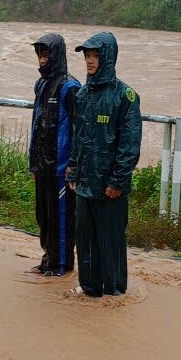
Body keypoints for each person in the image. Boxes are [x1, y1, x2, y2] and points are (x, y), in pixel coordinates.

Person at [67, 32, 142, 297]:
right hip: (84, 184)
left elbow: (129, 145)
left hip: (110, 188)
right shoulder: (83, 94)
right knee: (84, 240)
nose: (89, 61)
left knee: (110, 242)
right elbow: (79, 138)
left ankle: (114, 293)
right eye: (87, 56)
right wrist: (73, 170)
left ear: (108, 57)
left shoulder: (126, 96)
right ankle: (90, 288)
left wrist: (117, 182)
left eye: (95, 55)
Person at [26, 33, 81, 278]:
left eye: (46, 53)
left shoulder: (71, 87)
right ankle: (48, 260)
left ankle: (61, 265)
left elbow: (80, 130)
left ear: (56, 54)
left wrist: (73, 164)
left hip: (61, 169)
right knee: (44, 217)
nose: (42, 58)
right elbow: (36, 124)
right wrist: (33, 164)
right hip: (42, 166)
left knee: (61, 218)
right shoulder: (40, 84)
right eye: (39, 53)